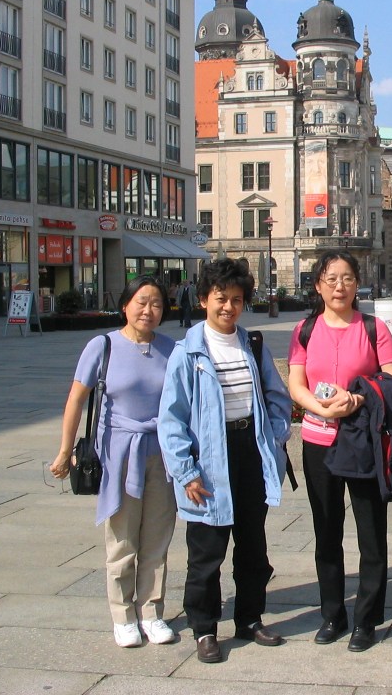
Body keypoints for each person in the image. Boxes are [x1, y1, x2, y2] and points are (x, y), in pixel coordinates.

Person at [157, 258, 292, 664]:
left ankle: (249, 618)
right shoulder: (187, 353)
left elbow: (277, 396)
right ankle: (204, 628)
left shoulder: (252, 344)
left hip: (249, 452)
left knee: (253, 547)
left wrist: (275, 436)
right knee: (206, 552)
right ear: (203, 300)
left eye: (236, 299)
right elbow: (171, 419)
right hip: (209, 460)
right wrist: (186, 471)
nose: (228, 307)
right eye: (220, 298)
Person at [50, 275, 178, 649]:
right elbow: (76, 399)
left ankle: (151, 612)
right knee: (122, 540)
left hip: (162, 454)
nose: (148, 310)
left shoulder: (171, 349)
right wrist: (64, 451)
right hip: (119, 454)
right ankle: (123, 617)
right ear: (125, 305)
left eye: (156, 303)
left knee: (157, 538)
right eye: (141, 302)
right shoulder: (102, 346)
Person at [287, 250, 392, 652]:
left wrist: (359, 399)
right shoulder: (304, 330)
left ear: (358, 284)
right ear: (318, 285)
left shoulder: (373, 328)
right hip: (318, 442)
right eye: (331, 279)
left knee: (371, 533)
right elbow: (296, 384)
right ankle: (332, 614)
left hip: (363, 442)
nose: (340, 286)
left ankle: (366, 620)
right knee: (327, 531)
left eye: (348, 278)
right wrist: (320, 409)